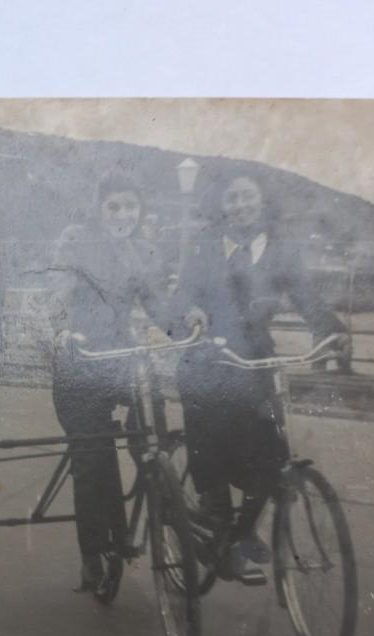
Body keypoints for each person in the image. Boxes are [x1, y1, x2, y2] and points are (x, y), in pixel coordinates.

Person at [171, 168, 350, 582]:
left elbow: (306, 296)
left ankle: (243, 531)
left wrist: (331, 329)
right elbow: (182, 293)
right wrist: (191, 312)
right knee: (214, 443)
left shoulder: (281, 250)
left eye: (248, 196)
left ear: (263, 201)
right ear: (220, 206)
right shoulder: (203, 247)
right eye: (231, 198)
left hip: (254, 361)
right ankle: (217, 524)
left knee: (272, 452)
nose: (240, 205)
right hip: (207, 358)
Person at [49, 173, 170, 593]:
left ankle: (164, 495)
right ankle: (92, 554)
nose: (123, 215)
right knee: (92, 460)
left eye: (130, 207)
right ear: (100, 210)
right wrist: (62, 329)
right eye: (114, 207)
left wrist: (182, 325)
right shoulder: (77, 242)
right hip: (79, 363)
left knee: (154, 427)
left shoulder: (140, 252)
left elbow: (155, 302)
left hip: (119, 360)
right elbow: (58, 291)